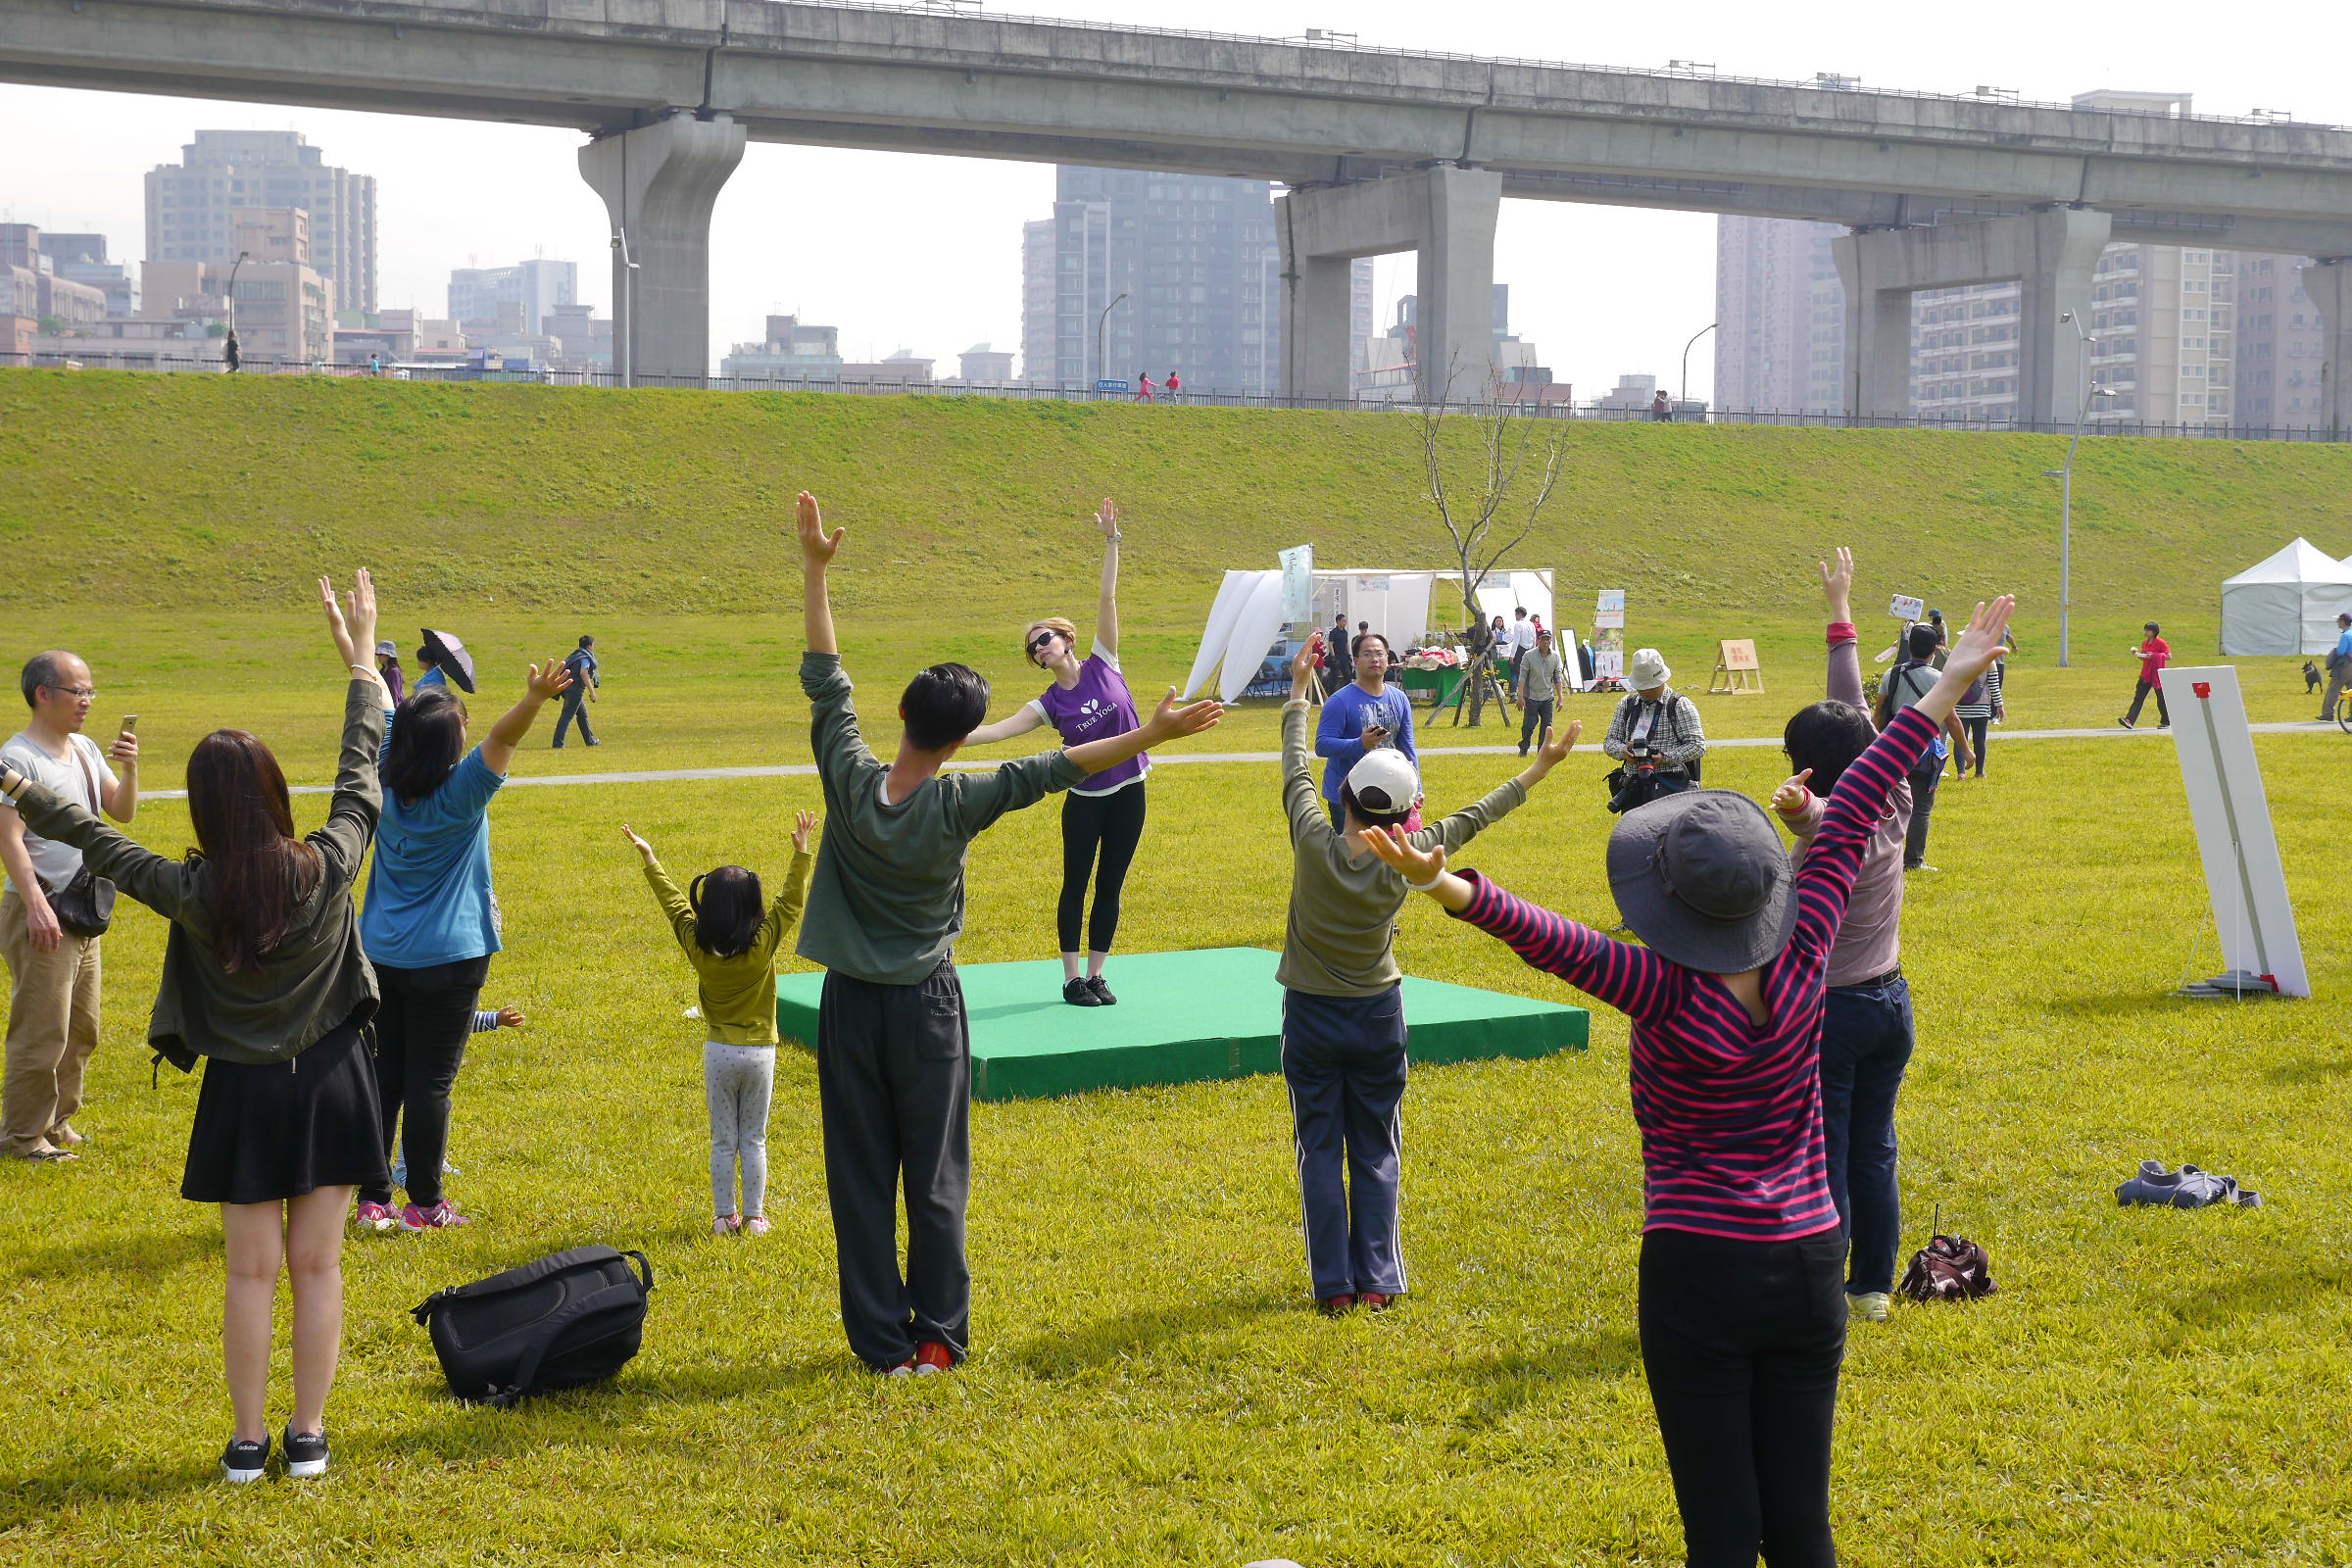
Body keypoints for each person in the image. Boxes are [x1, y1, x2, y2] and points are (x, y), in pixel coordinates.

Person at [1365, 596, 2014, 1568]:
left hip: (1697, 1268)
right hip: (1807, 1262)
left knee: (1719, 1535)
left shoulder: (1656, 984)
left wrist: (1440, 883)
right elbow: (1872, 782)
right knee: (1802, 1529)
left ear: (1668, 899)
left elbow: (1545, 936)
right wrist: (1954, 676)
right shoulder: (1807, 944)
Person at [793, 490, 1222, 1376]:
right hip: (926, 1009)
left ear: (906, 719)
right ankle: (936, 1342)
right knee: (937, 1179)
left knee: (862, 1183)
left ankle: (880, 1345)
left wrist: (815, 569)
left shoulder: (846, 772)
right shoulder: (961, 799)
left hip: (849, 1009)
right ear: (958, 739)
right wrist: (1155, 732)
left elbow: (825, 676)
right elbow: (1063, 766)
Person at [0, 571, 399, 1484]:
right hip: (336, 1078)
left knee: (251, 1275)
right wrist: (362, 664)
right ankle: (310, 1440)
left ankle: (250, 1446)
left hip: (245, 1093)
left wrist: (14, 782)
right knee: (319, 1271)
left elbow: (99, 840)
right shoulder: (330, 861)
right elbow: (358, 773)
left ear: (208, 808)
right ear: (270, 791)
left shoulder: (192, 891)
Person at [1276, 635, 1573, 1312]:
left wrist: (1299, 692)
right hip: (1379, 1012)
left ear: (1346, 798)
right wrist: (1539, 770)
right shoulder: (1413, 857)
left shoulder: (1313, 841)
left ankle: (1333, 1288)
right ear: (1402, 813)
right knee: (1377, 1148)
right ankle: (1378, 1280)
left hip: (1311, 1015)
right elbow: (1477, 815)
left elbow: (1296, 769)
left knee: (1319, 1150)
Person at [353, 651, 574, 1233]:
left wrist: (357, 641)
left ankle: (373, 1199)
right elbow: (504, 736)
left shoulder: (384, 777)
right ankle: (424, 1205)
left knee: (385, 1076)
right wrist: (533, 700)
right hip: (448, 961)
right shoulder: (462, 793)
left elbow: (379, 702)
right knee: (430, 1083)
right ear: (449, 749)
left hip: (380, 955)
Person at [1773, 549, 1920, 1328]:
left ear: (1808, 770)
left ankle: (1826, 1288)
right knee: (1876, 1150)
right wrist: (1840, 614)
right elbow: (1855, 712)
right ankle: (1872, 1288)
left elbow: (1817, 818)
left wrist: (1793, 814)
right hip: (1890, 1004)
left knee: (1825, 1153)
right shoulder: (1888, 792)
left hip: (1830, 1013)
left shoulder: (1833, 823)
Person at [960, 501, 1150, 1005]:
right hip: (1085, 799)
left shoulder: (1103, 662)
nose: (1040, 649)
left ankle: (1097, 975)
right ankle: (1070, 980)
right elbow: (999, 731)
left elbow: (1108, 596)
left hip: (1131, 790)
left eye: (1044, 639)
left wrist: (1112, 539)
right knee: (1076, 883)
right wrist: (950, 740)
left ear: (1066, 639)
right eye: (1033, 649)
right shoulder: (1049, 702)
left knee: (1111, 885)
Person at [624, 811, 815, 1239]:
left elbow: (674, 904)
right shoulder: (763, 943)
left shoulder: (696, 944)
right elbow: (791, 902)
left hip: (718, 1053)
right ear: (752, 908)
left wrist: (651, 859)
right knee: (755, 1139)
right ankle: (754, 1218)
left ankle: (721, 1217)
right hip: (761, 1053)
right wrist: (800, 852)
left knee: (722, 1141)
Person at [1, 652, 139, 1162]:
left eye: (89, 692)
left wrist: (128, 766)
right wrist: (36, 905)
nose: (86, 701)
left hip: (82, 909)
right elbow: (10, 840)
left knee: (82, 1028)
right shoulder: (17, 758)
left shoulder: (82, 749)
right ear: (43, 694)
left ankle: (56, 1121)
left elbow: (120, 811)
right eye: (77, 691)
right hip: (41, 909)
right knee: (41, 1030)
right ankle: (22, 1137)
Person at [1875, 625, 1972, 870]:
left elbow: (1878, 713)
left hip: (1892, 747)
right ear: (1935, 649)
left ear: (1909, 647)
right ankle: (1913, 861)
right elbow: (1952, 719)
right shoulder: (1938, 679)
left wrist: (1872, 743)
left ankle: (1884, 858)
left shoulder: (1891, 674)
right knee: (1920, 809)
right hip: (1925, 750)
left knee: (1888, 806)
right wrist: (1967, 750)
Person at [1314, 630, 1416, 821]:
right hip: (1347, 796)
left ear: (1388, 659)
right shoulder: (1339, 701)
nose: (1374, 659)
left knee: (1388, 851)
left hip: (1388, 793)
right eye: (1367, 654)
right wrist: (1360, 743)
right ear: (1355, 661)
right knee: (1352, 852)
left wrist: (1416, 787)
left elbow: (1407, 747)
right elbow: (1322, 745)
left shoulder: (1400, 698)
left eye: (1379, 654)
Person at [1600, 649, 1706, 807]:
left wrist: (1665, 758)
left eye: (1651, 686)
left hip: (1671, 788)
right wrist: (1623, 751)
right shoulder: (1626, 704)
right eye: (1642, 686)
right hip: (1634, 787)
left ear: (1662, 680)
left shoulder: (1680, 705)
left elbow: (1697, 745)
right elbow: (1610, 742)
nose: (1646, 691)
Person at [1954, 636, 2006, 779]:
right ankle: (1979, 772)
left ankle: (1961, 772)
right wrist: (2000, 706)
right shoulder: (1989, 661)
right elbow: (1995, 687)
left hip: (1960, 707)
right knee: (1980, 741)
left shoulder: (1958, 659)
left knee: (1960, 740)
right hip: (1981, 707)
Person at [1517, 627, 1571, 758]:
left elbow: (1557, 677)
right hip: (1531, 697)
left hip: (1547, 697)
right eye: (1543, 639)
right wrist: (1520, 696)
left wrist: (1561, 697)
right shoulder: (1528, 655)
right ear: (1538, 640)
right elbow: (1522, 676)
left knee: (1547, 727)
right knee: (1529, 726)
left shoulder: (1555, 657)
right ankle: (1524, 746)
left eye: (1548, 639)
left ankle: (1541, 752)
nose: (1546, 642)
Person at [2120, 621, 2170, 730]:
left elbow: (2168, 656)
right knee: (2138, 698)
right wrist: (2137, 654)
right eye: (2145, 629)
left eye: (2148, 630)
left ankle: (2166, 721)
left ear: (2154, 632)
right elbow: (2144, 657)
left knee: (2161, 699)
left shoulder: (2161, 643)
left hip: (2157, 675)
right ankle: (2129, 720)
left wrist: (2156, 656)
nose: (2145, 632)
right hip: (2146, 674)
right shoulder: (2145, 643)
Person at [555, 635, 600, 749]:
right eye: (593, 644)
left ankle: (590, 741)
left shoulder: (575, 654)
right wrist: (592, 691)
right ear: (589, 646)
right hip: (575, 690)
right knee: (567, 715)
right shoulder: (585, 657)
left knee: (582, 714)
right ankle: (558, 744)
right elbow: (583, 673)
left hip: (566, 688)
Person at [2322, 612, 2352, 721]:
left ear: (2343, 622)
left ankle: (2328, 714)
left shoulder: (2345, 635)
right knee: (2351, 691)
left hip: (2345, 666)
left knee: (2333, 689)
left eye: (2338, 620)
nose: (2337, 622)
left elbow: (2340, 652)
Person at [1506, 606, 1536, 694]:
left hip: (1520, 649)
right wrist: (1533, 650)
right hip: (1530, 649)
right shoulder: (1531, 624)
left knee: (1514, 672)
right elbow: (1534, 638)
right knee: (1527, 672)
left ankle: (1513, 693)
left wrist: (1512, 656)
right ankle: (1527, 692)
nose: (1515, 616)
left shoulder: (1518, 624)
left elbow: (1516, 641)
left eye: (1516, 614)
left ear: (1519, 614)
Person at [373, 640, 405, 708]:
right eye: (378, 654)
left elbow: (395, 692)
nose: (379, 657)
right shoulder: (382, 670)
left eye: (381, 654)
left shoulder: (394, 672)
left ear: (388, 656)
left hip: (393, 707)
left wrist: (394, 711)